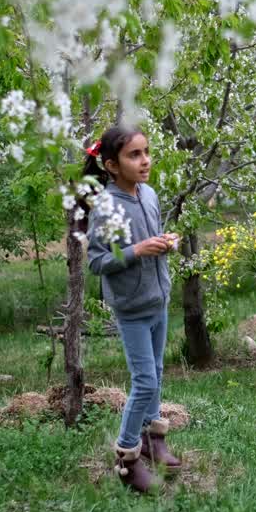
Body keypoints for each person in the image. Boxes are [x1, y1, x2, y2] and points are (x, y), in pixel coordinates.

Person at [84, 125, 182, 492]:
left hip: (159, 298)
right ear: (111, 165)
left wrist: (164, 242)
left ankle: (154, 441)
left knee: (156, 371)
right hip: (132, 307)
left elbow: (149, 235)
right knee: (144, 382)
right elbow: (97, 261)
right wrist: (138, 250)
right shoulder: (106, 207)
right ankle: (126, 457)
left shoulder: (150, 194)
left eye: (146, 152)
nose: (145, 161)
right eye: (134, 155)